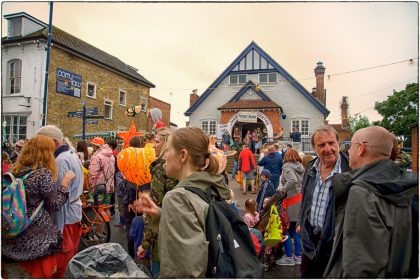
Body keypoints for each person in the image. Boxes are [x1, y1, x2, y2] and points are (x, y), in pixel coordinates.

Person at [323, 126, 417, 277]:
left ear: (361, 148)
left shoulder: (362, 191)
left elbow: (359, 266)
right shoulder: (406, 185)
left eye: (350, 147)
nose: (347, 151)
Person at [140, 127, 231, 277]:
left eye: (168, 150)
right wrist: (160, 216)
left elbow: (185, 271)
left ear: (182, 155)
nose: (165, 156)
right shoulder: (212, 187)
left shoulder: (177, 198)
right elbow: (198, 229)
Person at [2, 135, 75, 278]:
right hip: (36, 238)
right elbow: (54, 204)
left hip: (12, 233)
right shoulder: (42, 174)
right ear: (47, 153)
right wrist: (65, 184)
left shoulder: (13, 171)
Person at [296, 125, 350, 278]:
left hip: (334, 242)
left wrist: (342, 231)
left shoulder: (350, 171)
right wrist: (300, 221)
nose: (328, 148)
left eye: (331, 143)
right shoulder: (311, 166)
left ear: (338, 144)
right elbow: (305, 196)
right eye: (321, 145)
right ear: (314, 148)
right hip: (309, 240)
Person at [36, 125, 84, 278]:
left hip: (66, 219)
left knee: (62, 266)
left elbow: (59, 198)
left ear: (54, 142)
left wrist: (59, 230)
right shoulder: (70, 154)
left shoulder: (60, 161)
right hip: (73, 214)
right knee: (69, 262)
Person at [137, 128, 178, 277]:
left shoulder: (161, 168)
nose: (154, 145)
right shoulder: (178, 166)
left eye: (157, 141)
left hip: (162, 239)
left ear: (167, 143)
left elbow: (155, 210)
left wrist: (145, 244)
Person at [276, 148, 304, 266]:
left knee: (285, 228)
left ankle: (289, 257)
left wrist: (282, 190)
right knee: (295, 230)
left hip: (291, 202)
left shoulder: (287, 166)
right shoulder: (300, 166)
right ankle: (298, 256)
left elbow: (292, 181)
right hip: (300, 200)